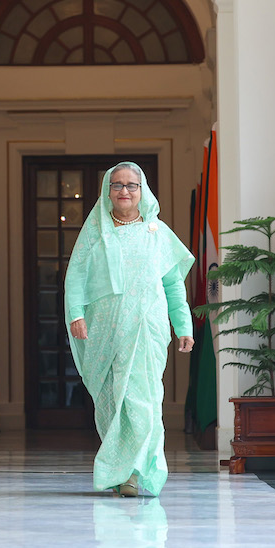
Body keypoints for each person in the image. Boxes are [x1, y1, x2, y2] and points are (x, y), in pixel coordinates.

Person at [64, 161, 194, 497]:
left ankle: (134, 473)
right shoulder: (94, 232)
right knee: (111, 400)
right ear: (108, 192)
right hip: (103, 331)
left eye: (131, 185)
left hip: (145, 331)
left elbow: (173, 285)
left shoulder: (158, 233)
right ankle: (120, 472)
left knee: (142, 400)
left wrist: (183, 325)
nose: (124, 191)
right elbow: (76, 276)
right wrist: (76, 313)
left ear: (142, 190)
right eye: (117, 185)